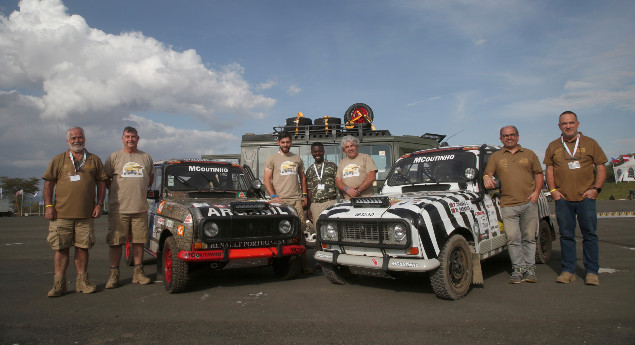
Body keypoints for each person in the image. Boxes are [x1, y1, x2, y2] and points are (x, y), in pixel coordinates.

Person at [544, 111, 607, 286]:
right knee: (566, 235)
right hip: (563, 199)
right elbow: (550, 170)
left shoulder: (590, 143)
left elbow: (600, 167)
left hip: (586, 198)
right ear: (559, 126)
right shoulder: (553, 146)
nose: (568, 126)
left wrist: (596, 189)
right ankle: (568, 270)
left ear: (578, 124)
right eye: (564, 123)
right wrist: (554, 190)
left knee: (590, 235)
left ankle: (592, 272)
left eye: (571, 123)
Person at [43, 126, 107, 297]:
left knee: (83, 248)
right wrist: (48, 206)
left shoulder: (94, 160)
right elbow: (48, 184)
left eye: (80, 137)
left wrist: (100, 204)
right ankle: (59, 284)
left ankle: (82, 281)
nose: (77, 140)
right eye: (73, 138)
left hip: (86, 215)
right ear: (67, 141)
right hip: (61, 215)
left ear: (84, 138)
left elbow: (102, 183)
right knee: (61, 249)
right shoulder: (58, 160)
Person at [484, 126, 543, 284]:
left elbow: (538, 174)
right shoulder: (496, 157)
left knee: (529, 238)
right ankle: (518, 269)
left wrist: (537, 192)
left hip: (528, 202)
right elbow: (488, 173)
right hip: (507, 204)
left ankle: (530, 269)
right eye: (505, 136)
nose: (509, 138)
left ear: (517, 136)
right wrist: (486, 177)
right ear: (501, 139)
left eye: (512, 135)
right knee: (512, 238)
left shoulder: (529, 154)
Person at [104, 127, 154, 288]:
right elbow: (106, 180)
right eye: (127, 136)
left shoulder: (146, 158)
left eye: (133, 136)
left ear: (138, 138)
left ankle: (138, 273)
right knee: (116, 242)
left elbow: (150, 179)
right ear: (122, 138)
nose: (130, 139)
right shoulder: (114, 157)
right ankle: (114, 275)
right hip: (119, 209)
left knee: (138, 242)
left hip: (140, 208)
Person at [263, 131, 311, 273]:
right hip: (280, 202)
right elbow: (267, 180)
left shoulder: (296, 158)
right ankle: (276, 262)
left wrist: (304, 195)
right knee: (280, 232)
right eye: (282, 142)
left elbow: (302, 177)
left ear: (291, 142)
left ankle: (304, 263)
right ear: (278, 143)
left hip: (296, 200)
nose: (285, 145)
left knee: (301, 232)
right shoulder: (272, 159)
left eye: (287, 142)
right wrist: (273, 197)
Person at [305, 142, 339, 233]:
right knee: (318, 230)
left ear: (323, 152)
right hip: (316, 205)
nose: (317, 153)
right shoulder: (309, 170)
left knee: (333, 229)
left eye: (320, 151)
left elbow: (339, 183)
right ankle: (319, 247)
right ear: (312, 153)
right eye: (315, 151)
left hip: (331, 202)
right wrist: (309, 208)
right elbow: (309, 190)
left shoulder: (332, 166)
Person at [336, 135, 377, 200]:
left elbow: (371, 177)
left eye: (352, 145)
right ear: (344, 150)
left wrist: (358, 190)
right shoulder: (342, 162)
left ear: (356, 146)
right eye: (347, 147)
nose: (350, 149)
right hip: (348, 200)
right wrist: (347, 190)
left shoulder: (366, 157)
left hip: (366, 198)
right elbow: (338, 181)